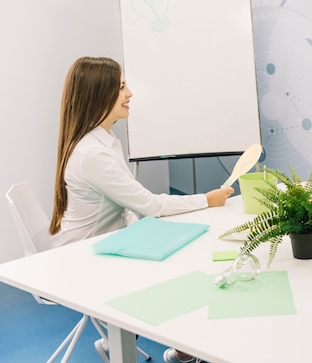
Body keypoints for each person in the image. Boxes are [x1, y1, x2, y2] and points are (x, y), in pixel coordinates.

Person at [50, 56, 234, 363]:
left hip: (107, 243)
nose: (130, 93)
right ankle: (180, 348)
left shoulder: (104, 141)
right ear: (99, 94)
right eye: (121, 87)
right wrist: (207, 199)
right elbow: (148, 204)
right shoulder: (93, 154)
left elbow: (131, 208)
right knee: (182, 266)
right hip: (84, 259)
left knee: (181, 254)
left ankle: (180, 349)